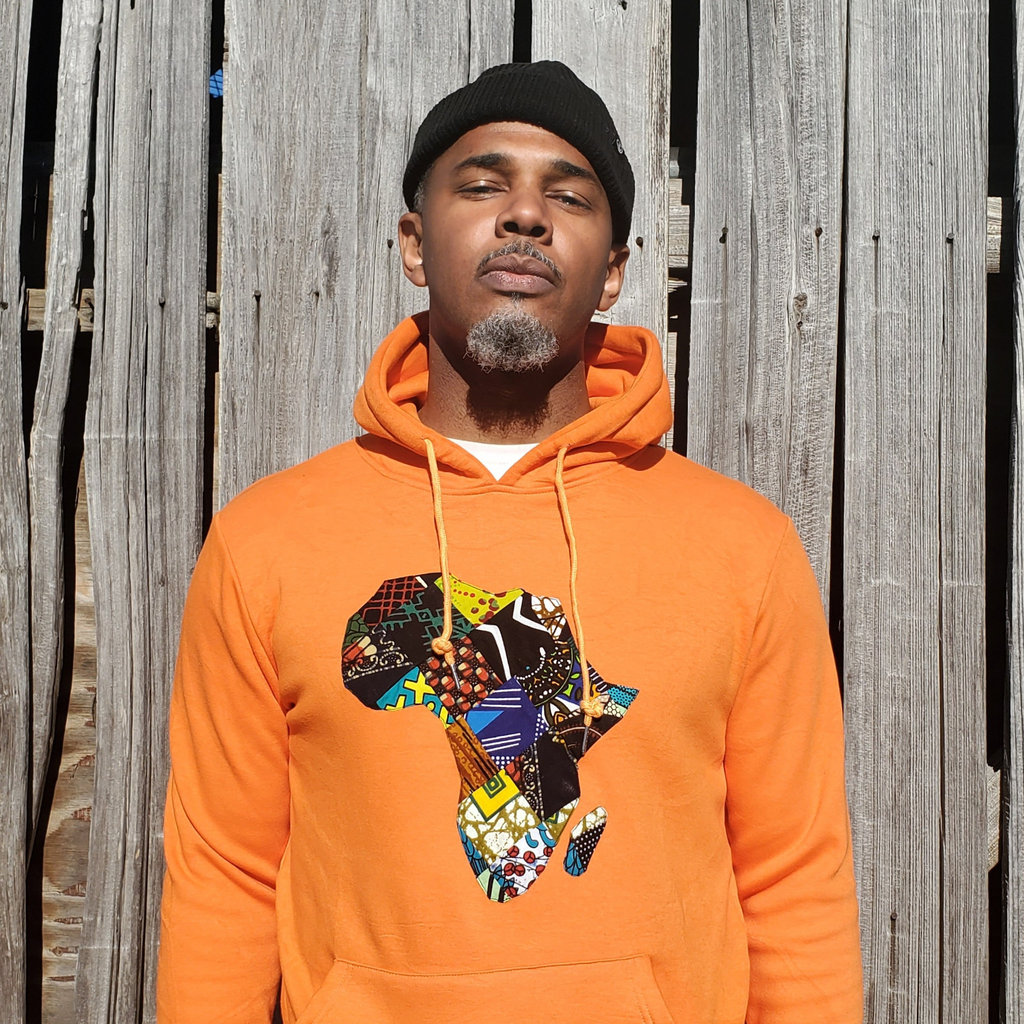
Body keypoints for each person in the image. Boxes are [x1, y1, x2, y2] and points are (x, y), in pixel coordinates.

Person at [156, 60, 863, 1023]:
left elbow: (794, 877)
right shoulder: (267, 542)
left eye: (567, 197)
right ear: (415, 244)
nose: (525, 215)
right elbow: (225, 876)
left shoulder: (743, 547)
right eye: (484, 185)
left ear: (612, 272)